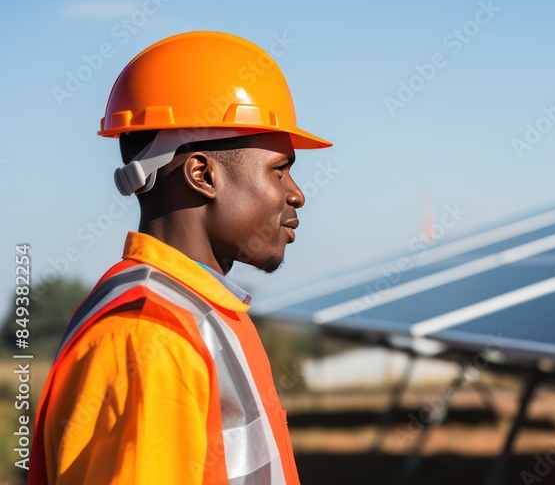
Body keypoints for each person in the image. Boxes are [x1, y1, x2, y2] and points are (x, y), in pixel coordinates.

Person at [29, 31, 332, 484]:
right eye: (279, 170)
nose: (297, 194)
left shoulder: (198, 315)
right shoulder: (149, 338)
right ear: (201, 174)